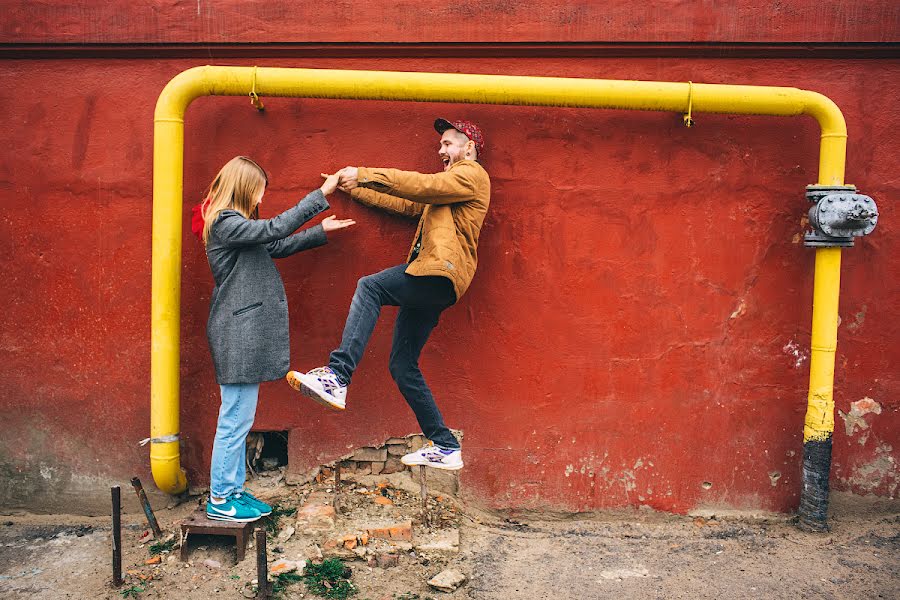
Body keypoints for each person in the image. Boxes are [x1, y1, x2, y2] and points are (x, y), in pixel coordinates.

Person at [287, 118, 490, 471]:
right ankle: (444, 445)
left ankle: (337, 376)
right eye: (440, 146)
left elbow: (421, 185)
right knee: (402, 365)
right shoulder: (448, 192)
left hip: (439, 273)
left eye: (448, 144)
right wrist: (355, 190)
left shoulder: (471, 174)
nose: (441, 151)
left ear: (469, 148)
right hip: (433, 278)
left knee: (371, 286)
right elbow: (410, 204)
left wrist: (362, 172)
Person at [201, 156, 354, 522]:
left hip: (241, 334)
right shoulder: (224, 222)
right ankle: (220, 499)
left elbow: (276, 246)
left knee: (240, 417)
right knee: (234, 418)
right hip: (235, 334)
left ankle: (234, 490)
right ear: (244, 188)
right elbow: (273, 229)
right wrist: (322, 194)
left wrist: (322, 231)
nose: (261, 197)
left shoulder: (238, 227)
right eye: (258, 190)